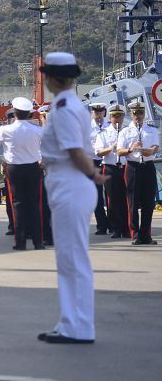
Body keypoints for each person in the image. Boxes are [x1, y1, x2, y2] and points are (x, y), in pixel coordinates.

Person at [35, 52, 106, 344]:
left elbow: (75, 150)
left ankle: (76, 327)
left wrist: (93, 175)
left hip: (70, 179)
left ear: (53, 77)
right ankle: (73, 324)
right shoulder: (73, 104)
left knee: (71, 259)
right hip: (70, 181)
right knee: (72, 258)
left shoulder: (63, 108)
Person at [0, 97, 45, 250]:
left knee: (17, 205)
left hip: (15, 169)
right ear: (29, 113)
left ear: (15, 112)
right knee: (34, 204)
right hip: (33, 168)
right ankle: (38, 242)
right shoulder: (37, 130)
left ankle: (20, 242)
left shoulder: (8, 130)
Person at [117, 100, 158, 245]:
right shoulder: (125, 131)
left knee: (149, 203)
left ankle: (146, 235)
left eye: (140, 113)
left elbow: (155, 148)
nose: (138, 116)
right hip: (133, 167)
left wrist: (149, 150)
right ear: (131, 114)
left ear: (144, 113)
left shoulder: (151, 130)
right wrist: (131, 149)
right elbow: (119, 150)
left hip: (148, 166)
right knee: (133, 203)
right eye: (135, 113)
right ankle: (135, 234)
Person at [95, 104, 130, 239]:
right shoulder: (104, 133)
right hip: (110, 168)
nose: (117, 119)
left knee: (127, 199)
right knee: (112, 200)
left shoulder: (128, 132)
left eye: (120, 116)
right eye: (115, 116)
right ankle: (115, 228)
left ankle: (126, 228)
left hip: (125, 167)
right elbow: (98, 152)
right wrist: (111, 148)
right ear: (110, 117)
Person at [88, 103, 111, 235]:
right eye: (96, 111)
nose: (98, 114)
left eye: (101, 111)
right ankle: (101, 225)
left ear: (104, 112)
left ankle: (113, 224)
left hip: (108, 162)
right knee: (96, 196)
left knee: (111, 195)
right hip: (93, 162)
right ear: (92, 112)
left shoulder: (110, 126)